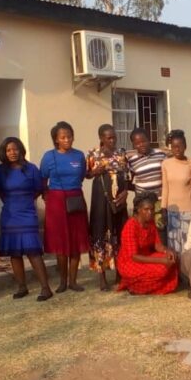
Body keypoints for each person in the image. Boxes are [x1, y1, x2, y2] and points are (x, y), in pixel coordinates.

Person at [0, 137, 53, 302]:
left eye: (15, 149)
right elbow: (0, 191)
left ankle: (45, 288)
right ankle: (22, 287)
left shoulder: (31, 169)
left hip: (27, 213)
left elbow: (39, 189)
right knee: (14, 253)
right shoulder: (1, 171)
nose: (12, 153)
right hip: (9, 215)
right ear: (4, 153)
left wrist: (25, 200)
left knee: (33, 251)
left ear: (21, 150)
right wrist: (12, 203)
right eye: (8, 150)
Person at [40, 121, 89, 293]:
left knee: (76, 240)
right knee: (60, 242)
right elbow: (43, 179)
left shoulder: (79, 155)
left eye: (69, 136)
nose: (67, 139)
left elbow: (81, 176)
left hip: (75, 199)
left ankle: (73, 281)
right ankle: (62, 282)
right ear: (56, 139)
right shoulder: (48, 157)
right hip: (56, 202)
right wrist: (47, 196)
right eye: (63, 137)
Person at [86, 124, 129, 291]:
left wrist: (125, 192)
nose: (112, 140)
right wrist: (95, 172)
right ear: (101, 138)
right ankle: (102, 276)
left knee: (119, 233)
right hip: (100, 200)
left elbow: (127, 176)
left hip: (118, 200)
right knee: (100, 232)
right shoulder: (93, 154)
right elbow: (86, 175)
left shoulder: (121, 153)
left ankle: (120, 272)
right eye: (108, 137)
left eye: (114, 137)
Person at [117, 192, 179, 295]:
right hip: (130, 262)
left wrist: (167, 251)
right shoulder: (131, 226)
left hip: (146, 257)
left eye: (152, 209)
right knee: (162, 270)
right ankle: (134, 286)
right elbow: (134, 256)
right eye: (146, 209)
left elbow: (157, 245)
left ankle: (142, 284)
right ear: (138, 210)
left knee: (172, 260)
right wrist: (161, 260)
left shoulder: (150, 222)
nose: (150, 212)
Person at [127, 127, 167, 241]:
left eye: (144, 141)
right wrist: (141, 192)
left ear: (149, 140)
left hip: (159, 200)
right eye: (137, 143)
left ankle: (161, 251)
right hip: (143, 203)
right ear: (134, 145)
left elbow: (166, 175)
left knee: (160, 230)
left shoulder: (160, 154)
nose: (141, 145)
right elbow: (130, 181)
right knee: (144, 232)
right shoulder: (132, 161)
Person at [161, 130, 191, 253]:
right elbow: (165, 187)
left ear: (185, 146)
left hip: (189, 210)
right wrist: (163, 208)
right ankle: (176, 266)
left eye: (180, 146)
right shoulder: (166, 164)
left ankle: (188, 266)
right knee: (174, 244)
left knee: (188, 244)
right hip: (172, 210)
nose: (177, 149)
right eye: (174, 146)